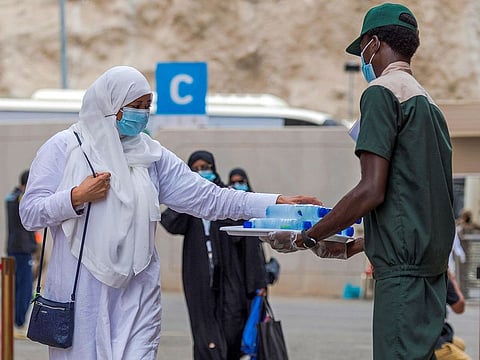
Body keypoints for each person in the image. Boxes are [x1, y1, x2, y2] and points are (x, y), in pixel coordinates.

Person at [19, 65, 319, 359]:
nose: (142, 114)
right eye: (134, 105)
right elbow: (30, 212)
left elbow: (212, 199)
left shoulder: (152, 156)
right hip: (83, 292)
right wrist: (75, 196)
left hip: (138, 289)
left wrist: (275, 202)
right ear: (111, 106)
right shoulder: (64, 148)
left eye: (147, 106)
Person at [262, 4, 455, 359]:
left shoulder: (382, 93)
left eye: (363, 47)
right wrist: (356, 244)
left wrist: (308, 236)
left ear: (374, 43)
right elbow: (417, 207)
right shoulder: (429, 105)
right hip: (430, 282)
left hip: (401, 284)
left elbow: (371, 189)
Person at [161, 156, 269, 360]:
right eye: (196, 169)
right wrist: (187, 193)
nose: (201, 172)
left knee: (232, 323)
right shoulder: (189, 201)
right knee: (204, 327)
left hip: (230, 275)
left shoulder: (225, 197)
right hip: (200, 276)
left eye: (205, 167)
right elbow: (170, 223)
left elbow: (251, 247)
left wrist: (258, 283)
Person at [5, 169, 38, 337]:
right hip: (23, 250)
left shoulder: (11, 196)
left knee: (15, 287)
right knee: (24, 289)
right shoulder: (21, 198)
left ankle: (14, 322)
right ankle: (18, 323)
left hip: (13, 249)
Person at [434, 270, 471, 360]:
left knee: (460, 344)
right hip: (427, 339)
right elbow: (459, 307)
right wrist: (452, 279)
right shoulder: (438, 274)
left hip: (405, 334)